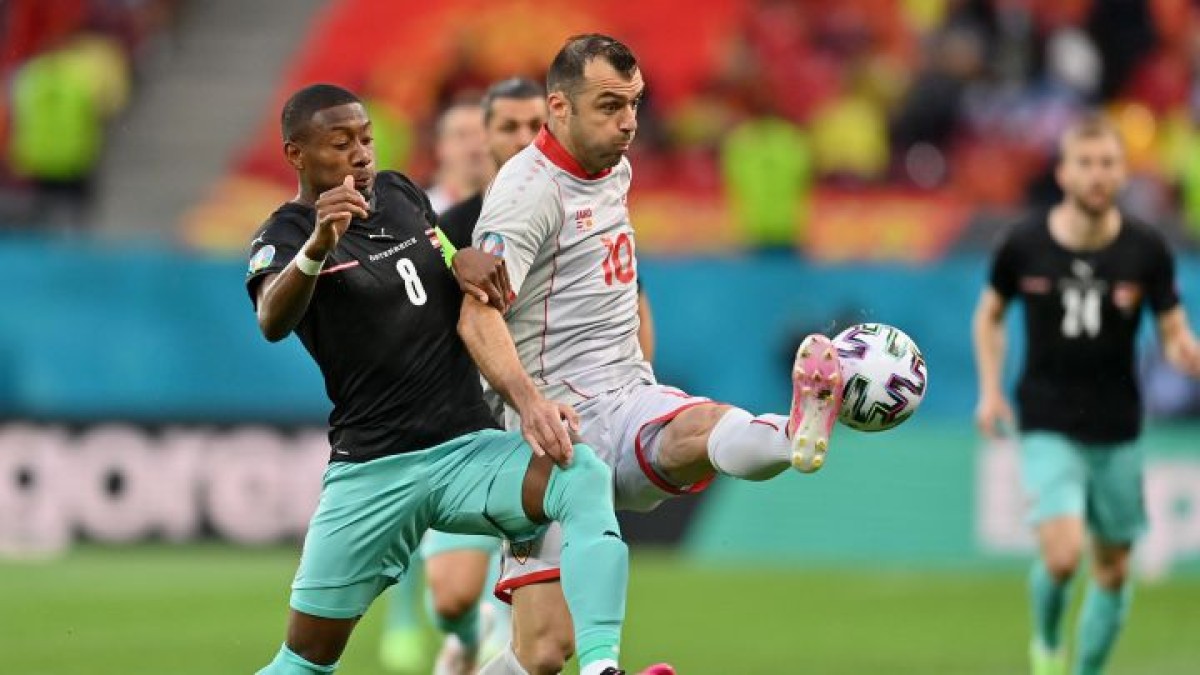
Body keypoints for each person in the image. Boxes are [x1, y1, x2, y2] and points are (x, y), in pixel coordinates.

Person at [457, 34, 844, 675]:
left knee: (699, 424)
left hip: (623, 394)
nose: (629, 122)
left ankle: (791, 433)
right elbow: (477, 317)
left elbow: (627, 287)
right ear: (560, 107)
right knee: (544, 651)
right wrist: (527, 404)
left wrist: (643, 376)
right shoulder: (527, 194)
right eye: (610, 106)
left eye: (634, 104)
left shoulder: (614, 166)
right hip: (551, 430)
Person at [247, 83, 640, 675]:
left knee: (579, 472)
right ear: (296, 154)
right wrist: (317, 246)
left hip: (466, 450)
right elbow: (272, 319)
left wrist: (464, 261)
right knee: (305, 661)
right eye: (341, 142)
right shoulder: (285, 233)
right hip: (375, 469)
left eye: (365, 139)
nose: (361, 154)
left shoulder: (400, 194)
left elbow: (444, 259)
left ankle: (602, 665)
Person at [972, 114, 1200, 675]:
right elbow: (990, 316)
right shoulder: (1024, 244)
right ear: (1063, 173)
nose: (1097, 175)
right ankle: (1048, 647)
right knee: (1062, 555)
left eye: (1108, 164)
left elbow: (1172, 329)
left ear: (1123, 173)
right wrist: (990, 391)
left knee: (1114, 570)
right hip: (1047, 418)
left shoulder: (1146, 249)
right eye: (1086, 163)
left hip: (1118, 426)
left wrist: (1185, 350)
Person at [425, 100, 491, 213]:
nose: (473, 146)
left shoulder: (516, 208)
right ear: (440, 147)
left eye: (483, 135)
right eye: (461, 135)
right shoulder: (419, 214)